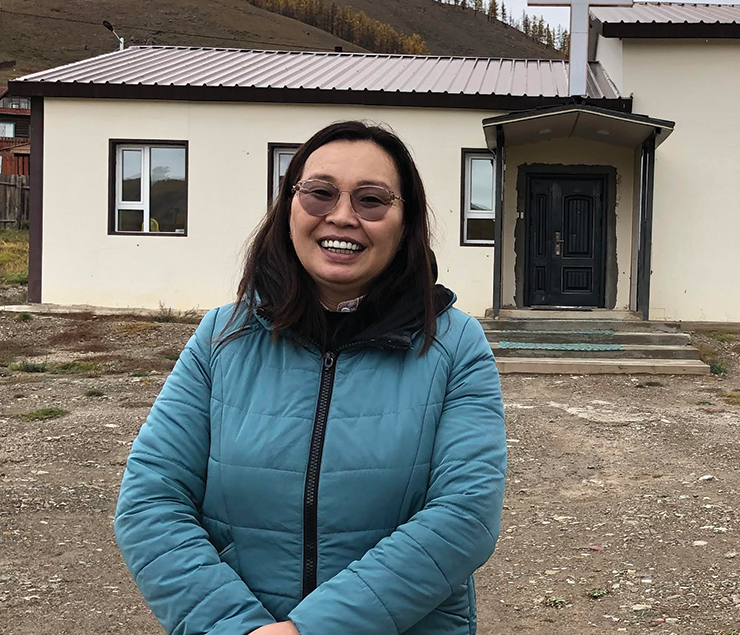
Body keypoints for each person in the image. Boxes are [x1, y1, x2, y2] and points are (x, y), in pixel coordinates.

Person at [114, 121, 506, 635]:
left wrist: (311, 630)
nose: (342, 217)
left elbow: (465, 516)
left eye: (372, 200)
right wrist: (235, 626)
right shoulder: (221, 336)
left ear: (405, 222)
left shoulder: (454, 346)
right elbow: (150, 500)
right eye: (320, 193)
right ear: (289, 207)